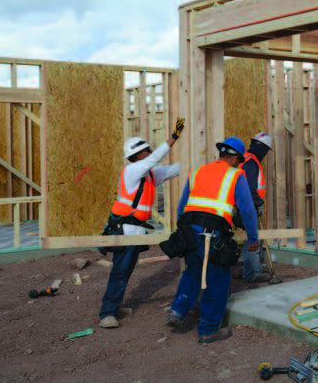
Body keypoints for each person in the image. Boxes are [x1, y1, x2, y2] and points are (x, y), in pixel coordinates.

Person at [165, 137, 259, 344]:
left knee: (192, 272)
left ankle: (178, 310)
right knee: (218, 280)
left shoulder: (198, 172)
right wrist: (253, 237)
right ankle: (208, 330)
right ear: (235, 158)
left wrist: (185, 231)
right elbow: (248, 210)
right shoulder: (236, 175)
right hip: (213, 236)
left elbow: (182, 207)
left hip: (190, 233)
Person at [99, 118, 184, 329]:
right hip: (126, 230)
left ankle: (114, 306)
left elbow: (177, 169)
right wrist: (173, 138)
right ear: (137, 156)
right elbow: (156, 158)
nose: (149, 152)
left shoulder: (150, 175)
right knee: (120, 270)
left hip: (136, 231)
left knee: (126, 269)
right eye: (146, 150)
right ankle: (107, 313)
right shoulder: (132, 171)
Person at [238, 132, 273, 283]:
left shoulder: (244, 159)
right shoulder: (251, 162)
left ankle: (255, 266)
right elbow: (250, 187)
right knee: (253, 238)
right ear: (262, 148)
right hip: (248, 206)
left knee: (253, 237)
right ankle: (252, 273)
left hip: (242, 204)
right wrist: (258, 204)